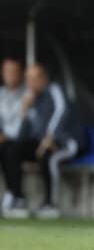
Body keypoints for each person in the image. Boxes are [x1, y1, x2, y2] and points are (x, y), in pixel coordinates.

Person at [1, 64, 80, 219]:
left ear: (43, 78)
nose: (30, 82)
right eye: (28, 79)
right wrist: (24, 111)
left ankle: (50, 204)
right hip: (40, 144)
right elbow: (22, 136)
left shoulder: (54, 90)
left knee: (48, 157)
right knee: (10, 149)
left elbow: (61, 112)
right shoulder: (32, 101)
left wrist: (50, 137)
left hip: (64, 143)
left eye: (34, 78)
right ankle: (17, 198)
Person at [0, 58, 26, 217]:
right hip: (3, 139)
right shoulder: (1, 94)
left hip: (22, 140)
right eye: (6, 72)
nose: (10, 75)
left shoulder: (29, 94)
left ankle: (16, 195)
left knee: (10, 150)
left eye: (13, 72)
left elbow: (30, 122)